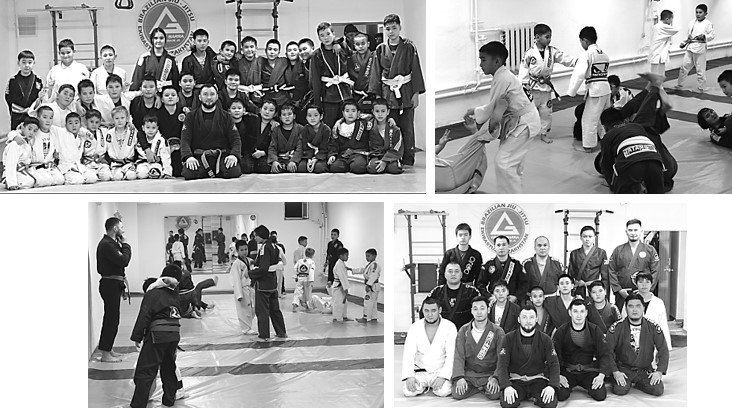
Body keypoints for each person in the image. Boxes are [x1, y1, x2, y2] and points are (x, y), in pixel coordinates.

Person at [464, 41, 541, 193]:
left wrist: (474, 112)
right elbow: (494, 106)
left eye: (484, 60)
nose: (481, 64)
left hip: (524, 123)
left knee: (504, 162)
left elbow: (492, 108)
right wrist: (476, 111)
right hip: (521, 121)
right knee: (512, 163)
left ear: (497, 61)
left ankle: (511, 199)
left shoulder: (503, 78)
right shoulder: (502, 76)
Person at [598, 73, 670, 193]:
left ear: (605, 127)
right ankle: (656, 88)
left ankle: (655, 89)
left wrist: (612, 184)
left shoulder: (609, 136)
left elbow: (606, 165)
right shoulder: (637, 126)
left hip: (637, 163)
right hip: (656, 161)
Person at [369, 14, 425, 167]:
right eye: (388, 29)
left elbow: (416, 69)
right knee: (390, 127)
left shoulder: (409, 47)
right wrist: (378, 98)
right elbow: (376, 73)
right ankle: (392, 157)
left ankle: (407, 158)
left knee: (407, 127)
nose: (391, 32)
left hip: (406, 90)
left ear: (400, 28)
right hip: (387, 92)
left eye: (394, 28)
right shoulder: (380, 49)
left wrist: (416, 94)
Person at [129, 264, 182, 408]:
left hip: (157, 336)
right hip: (174, 335)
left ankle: (138, 405)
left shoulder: (153, 293)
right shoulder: (175, 295)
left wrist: (137, 336)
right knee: (168, 367)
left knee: (145, 370)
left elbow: (144, 315)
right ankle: (169, 400)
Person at [518, 23, 577, 144]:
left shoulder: (552, 51)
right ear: (537, 37)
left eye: (550, 37)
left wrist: (580, 62)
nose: (549, 39)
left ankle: (543, 133)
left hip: (545, 87)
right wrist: (523, 84)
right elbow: (523, 68)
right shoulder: (529, 53)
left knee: (546, 112)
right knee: (529, 112)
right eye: (547, 37)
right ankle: (525, 133)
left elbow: (565, 59)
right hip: (532, 87)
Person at [495, 304, 560, 408]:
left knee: (551, 403)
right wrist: (506, 386)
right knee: (507, 404)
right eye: (524, 317)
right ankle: (527, 396)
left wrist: (552, 386)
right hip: (516, 381)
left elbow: (554, 364)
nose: (528, 321)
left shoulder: (545, 339)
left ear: (536, 319)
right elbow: (502, 364)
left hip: (538, 380)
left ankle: (534, 396)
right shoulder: (508, 338)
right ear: (519, 319)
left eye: (531, 317)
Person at [606, 294, 669, 397]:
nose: (634, 310)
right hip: (624, 369)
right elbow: (607, 351)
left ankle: (639, 383)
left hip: (644, 369)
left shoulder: (653, 327)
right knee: (620, 390)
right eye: (631, 306)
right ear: (626, 308)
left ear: (643, 308)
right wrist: (615, 371)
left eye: (638, 306)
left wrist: (659, 371)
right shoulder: (617, 327)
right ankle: (623, 381)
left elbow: (663, 350)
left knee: (658, 390)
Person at [553, 299, 611, 402]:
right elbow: (554, 356)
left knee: (600, 395)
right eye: (575, 311)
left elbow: (605, 353)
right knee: (561, 395)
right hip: (568, 371)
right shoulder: (561, 331)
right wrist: (558, 375)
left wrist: (601, 375)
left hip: (589, 371)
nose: (579, 315)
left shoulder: (595, 330)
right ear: (570, 313)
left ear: (586, 313)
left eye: (582, 311)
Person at [181, 83, 243, 180]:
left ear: (217, 97)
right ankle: (212, 171)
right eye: (205, 94)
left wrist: (234, 155)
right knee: (189, 173)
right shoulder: (191, 117)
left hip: (221, 156)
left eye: (212, 94)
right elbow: (185, 140)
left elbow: (235, 139)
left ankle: (210, 171)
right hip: (200, 156)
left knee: (233, 171)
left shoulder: (226, 116)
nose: (209, 97)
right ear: (200, 97)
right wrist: (188, 157)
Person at [451, 295, 505, 401]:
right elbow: (459, 356)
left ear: (488, 310)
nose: (479, 312)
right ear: (471, 311)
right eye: (475, 309)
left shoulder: (498, 331)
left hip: (489, 374)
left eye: (482, 308)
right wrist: (460, 377)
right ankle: (478, 388)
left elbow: (502, 358)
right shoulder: (463, 330)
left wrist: (496, 377)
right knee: (457, 394)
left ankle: (482, 387)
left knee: (495, 394)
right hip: (470, 375)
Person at [401, 297, 457, 398]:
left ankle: (438, 383)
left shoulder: (449, 327)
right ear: (422, 311)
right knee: (408, 392)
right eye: (426, 311)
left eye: (433, 310)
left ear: (439, 310)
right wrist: (409, 376)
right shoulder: (415, 327)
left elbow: (452, 355)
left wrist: (443, 376)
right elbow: (408, 353)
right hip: (421, 371)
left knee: (443, 391)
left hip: (439, 371)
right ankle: (422, 384)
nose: (430, 314)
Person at [567, 26, 610, 153]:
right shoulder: (604, 54)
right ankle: (607, 140)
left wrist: (571, 91)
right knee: (603, 118)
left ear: (584, 40)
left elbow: (579, 74)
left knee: (589, 119)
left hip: (595, 90)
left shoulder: (587, 54)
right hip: (605, 89)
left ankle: (588, 146)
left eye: (581, 42)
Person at [96, 217, 132, 363]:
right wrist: (126, 244)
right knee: (111, 319)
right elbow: (124, 261)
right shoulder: (107, 245)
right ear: (115, 229)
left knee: (113, 319)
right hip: (109, 285)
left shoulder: (111, 243)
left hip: (113, 284)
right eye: (121, 227)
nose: (123, 230)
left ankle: (108, 349)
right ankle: (105, 354)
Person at [310, 21, 353, 128]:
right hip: (328, 97)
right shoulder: (316, 55)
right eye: (322, 35)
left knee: (347, 125)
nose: (326, 38)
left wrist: (338, 43)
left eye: (328, 34)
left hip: (345, 93)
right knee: (329, 126)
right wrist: (317, 103)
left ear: (333, 34)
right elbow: (315, 80)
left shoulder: (342, 48)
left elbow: (352, 56)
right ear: (319, 38)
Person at [248, 225, 287, 341]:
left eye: (256, 236)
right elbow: (276, 262)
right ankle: (281, 332)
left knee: (262, 310)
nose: (255, 238)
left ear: (261, 235)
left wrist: (251, 273)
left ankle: (264, 335)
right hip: (272, 282)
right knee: (275, 310)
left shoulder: (265, 247)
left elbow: (264, 268)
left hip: (263, 284)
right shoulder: (275, 246)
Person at [609, 219, 659, 309]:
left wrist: (646, 290)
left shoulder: (650, 250)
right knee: (622, 316)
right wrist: (619, 290)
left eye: (636, 230)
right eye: (630, 230)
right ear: (626, 232)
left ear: (641, 231)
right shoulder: (618, 250)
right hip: (623, 293)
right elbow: (611, 270)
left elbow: (655, 271)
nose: (633, 233)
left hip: (644, 293)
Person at [621, 272, 672, 351]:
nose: (644, 285)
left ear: (651, 284)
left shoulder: (658, 303)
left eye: (647, 282)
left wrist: (665, 347)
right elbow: (623, 322)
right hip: (632, 342)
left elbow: (663, 325)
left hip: (653, 341)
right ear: (636, 284)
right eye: (641, 282)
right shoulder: (629, 301)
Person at [427, 262, 481, 329]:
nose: (453, 274)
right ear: (445, 274)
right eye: (450, 271)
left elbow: (481, 313)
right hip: (442, 332)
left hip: (466, 333)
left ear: (461, 274)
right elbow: (424, 313)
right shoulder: (436, 292)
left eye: (456, 271)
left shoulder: (472, 292)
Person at [675, 4, 715, 92]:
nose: (698, 14)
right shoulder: (691, 22)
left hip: (700, 49)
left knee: (700, 69)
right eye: (696, 12)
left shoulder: (708, 23)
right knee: (684, 67)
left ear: (705, 13)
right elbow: (688, 35)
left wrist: (704, 36)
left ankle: (701, 87)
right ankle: (679, 84)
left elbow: (712, 36)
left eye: (700, 12)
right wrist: (683, 42)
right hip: (690, 47)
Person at [478, 235, 527, 303]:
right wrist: (489, 296)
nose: (501, 248)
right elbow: (480, 284)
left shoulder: (516, 265)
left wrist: (516, 296)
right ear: (494, 247)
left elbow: (524, 284)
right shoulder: (488, 265)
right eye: (498, 245)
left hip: (511, 301)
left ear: (508, 246)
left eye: (504, 245)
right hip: (494, 301)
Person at [131, 28, 180, 92]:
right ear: (152, 40)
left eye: (161, 38)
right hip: (149, 93)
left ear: (165, 40)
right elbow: (136, 80)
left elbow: (175, 82)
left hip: (166, 94)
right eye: (156, 38)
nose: (158, 41)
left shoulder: (171, 59)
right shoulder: (144, 59)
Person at [55, 112, 99, 185]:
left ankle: (79, 176)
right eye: (70, 123)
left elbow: (85, 132)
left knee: (92, 177)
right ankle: (66, 178)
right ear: (65, 125)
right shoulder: (62, 133)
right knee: (78, 180)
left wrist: (87, 133)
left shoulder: (81, 135)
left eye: (76, 123)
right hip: (66, 166)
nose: (74, 126)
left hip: (78, 165)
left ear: (80, 125)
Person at [328, 100, 370, 173]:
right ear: (343, 113)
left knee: (358, 167)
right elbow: (334, 143)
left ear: (358, 113)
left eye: (353, 111)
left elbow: (375, 117)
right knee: (335, 167)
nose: (350, 114)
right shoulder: (338, 127)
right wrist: (332, 155)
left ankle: (352, 165)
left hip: (358, 154)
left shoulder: (363, 124)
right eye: (347, 111)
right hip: (344, 155)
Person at [5, 50, 44, 130]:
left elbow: (40, 99)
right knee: (17, 135)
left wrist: (33, 110)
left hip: (32, 114)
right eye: (23, 62)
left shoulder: (38, 80)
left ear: (34, 63)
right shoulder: (13, 80)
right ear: (18, 63)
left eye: (30, 62)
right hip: (17, 115)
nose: (27, 65)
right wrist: (15, 110)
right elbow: (8, 98)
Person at [28, 106, 64, 186]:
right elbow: (17, 132)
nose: (48, 121)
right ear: (38, 118)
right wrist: (14, 135)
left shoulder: (53, 131)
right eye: (45, 117)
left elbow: (67, 131)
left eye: (51, 118)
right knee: (47, 181)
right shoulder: (34, 131)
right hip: (36, 167)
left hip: (50, 167)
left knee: (60, 180)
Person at [568, 226, 608, 298]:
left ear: (594, 237)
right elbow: (570, 274)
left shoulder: (601, 253)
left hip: (595, 289)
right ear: (581, 237)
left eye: (590, 236)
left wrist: (605, 294)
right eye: (585, 236)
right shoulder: (574, 253)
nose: (587, 239)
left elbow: (605, 276)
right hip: (578, 288)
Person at [100, 106, 139, 181]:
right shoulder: (109, 133)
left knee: (131, 176)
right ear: (113, 120)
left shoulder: (132, 132)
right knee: (117, 177)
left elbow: (137, 147)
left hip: (129, 163)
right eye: (117, 118)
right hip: (115, 163)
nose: (120, 121)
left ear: (127, 119)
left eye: (122, 118)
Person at [367, 97, 404, 174]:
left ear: (388, 112)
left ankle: (387, 164)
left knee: (394, 169)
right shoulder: (369, 124)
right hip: (376, 154)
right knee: (372, 168)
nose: (380, 114)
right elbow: (356, 115)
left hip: (391, 155)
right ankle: (383, 166)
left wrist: (385, 160)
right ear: (373, 112)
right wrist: (341, 121)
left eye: (383, 111)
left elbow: (398, 145)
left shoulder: (394, 128)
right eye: (377, 111)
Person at [241, 99, 277, 174]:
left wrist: (264, 152)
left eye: (271, 110)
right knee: (246, 167)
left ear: (275, 114)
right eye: (265, 109)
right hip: (248, 153)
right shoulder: (251, 119)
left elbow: (275, 145)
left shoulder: (275, 126)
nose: (267, 112)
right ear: (260, 110)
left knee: (264, 167)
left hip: (263, 154)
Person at [2, 117, 39, 190]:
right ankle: (9, 182)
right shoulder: (15, 143)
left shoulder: (29, 141)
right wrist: (11, 183)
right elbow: (11, 164)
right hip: (13, 173)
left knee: (44, 179)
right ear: (23, 128)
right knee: (30, 182)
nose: (31, 133)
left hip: (25, 171)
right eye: (29, 129)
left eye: (35, 131)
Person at [291, 104, 330, 173]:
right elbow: (304, 146)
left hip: (321, 156)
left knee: (319, 168)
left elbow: (325, 148)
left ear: (321, 116)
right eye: (309, 116)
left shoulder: (326, 130)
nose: (312, 118)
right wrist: (309, 159)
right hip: (307, 156)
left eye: (315, 115)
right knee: (301, 167)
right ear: (306, 117)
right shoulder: (304, 129)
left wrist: (316, 159)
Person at [156, 85, 185, 177]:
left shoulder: (184, 113)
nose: (170, 97)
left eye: (173, 95)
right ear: (162, 99)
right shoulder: (157, 114)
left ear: (177, 98)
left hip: (181, 147)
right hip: (163, 148)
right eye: (166, 95)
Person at [231, 240, 257, 335]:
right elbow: (236, 279)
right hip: (242, 288)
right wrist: (239, 294)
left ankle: (248, 326)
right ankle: (245, 328)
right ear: (237, 251)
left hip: (250, 287)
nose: (244, 252)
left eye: (246, 249)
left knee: (252, 308)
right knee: (243, 309)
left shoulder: (250, 261)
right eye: (241, 250)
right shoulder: (236, 264)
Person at [268, 102, 303, 173]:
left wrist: (293, 161)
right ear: (280, 117)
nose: (287, 117)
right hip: (280, 158)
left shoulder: (300, 129)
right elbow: (272, 147)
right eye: (284, 115)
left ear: (294, 116)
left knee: (302, 167)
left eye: (289, 114)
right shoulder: (276, 130)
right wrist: (274, 161)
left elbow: (300, 148)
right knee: (269, 167)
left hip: (295, 158)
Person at [135, 114, 172, 179]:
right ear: (143, 128)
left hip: (156, 164)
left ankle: (154, 173)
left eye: (153, 128)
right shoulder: (139, 139)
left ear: (157, 128)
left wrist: (167, 172)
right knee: (141, 174)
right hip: (142, 163)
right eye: (148, 127)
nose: (150, 130)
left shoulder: (161, 140)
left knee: (155, 173)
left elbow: (166, 157)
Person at [260, 39, 291, 107]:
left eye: (275, 50)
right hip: (267, 98)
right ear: (265, 51)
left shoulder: (284, 62)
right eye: (270, 49)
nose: (272, 52)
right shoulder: (261, 63)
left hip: (282, 98)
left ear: (279, 52)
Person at [353, 248, 381, 323]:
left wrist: (368, 285)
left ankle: (365, 318)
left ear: (374, 256)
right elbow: (363, 270)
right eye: (366, 256)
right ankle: (374, 317)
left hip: (372, 286)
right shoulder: (370, 265)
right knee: (373, 303)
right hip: (374, 286)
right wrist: (352, 270)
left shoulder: (375, 265)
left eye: (369, 256)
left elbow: (373, 275)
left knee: (367, 301)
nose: (367, 258)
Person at [348, 32, 374, 113]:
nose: (360, 46)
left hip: (371, 95)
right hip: (357, 95)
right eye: (357, 44)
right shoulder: (351, 58)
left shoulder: (374, 56)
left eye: (363, 43)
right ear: (354, 46)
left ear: (368, 44)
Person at [649, 10, 679, 75]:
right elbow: (676, 29)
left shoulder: (656, 26)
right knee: (658, 74)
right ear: (667, 19)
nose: (672, 21)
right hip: (658, 53)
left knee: (656, 73)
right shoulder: (663, 27)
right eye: (672, 19)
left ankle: (657, 81)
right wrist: (670, 24)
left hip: (656, 52)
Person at [236, 36, 264, 105]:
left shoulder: (261, 61)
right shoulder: (238, 62)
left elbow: (265, 80)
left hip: (258, 95)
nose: (249, 50)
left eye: (252, 47)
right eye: (246, 47)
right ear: (242, 50)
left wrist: (256, 88)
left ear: (256, 48)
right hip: (242, 95)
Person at [331, 247, 352, 323]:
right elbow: (342, 277)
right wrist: (345, 288)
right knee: (338, 302)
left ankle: (344, 316)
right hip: (339, 286)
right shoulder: (339, 264)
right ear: (341, 255)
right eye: (346, 255)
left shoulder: (342, 263)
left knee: (344, 302)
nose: (347, 257)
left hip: (341, 285)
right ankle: (337, 318)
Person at [292, 247, 316, 312]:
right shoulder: (311, 262)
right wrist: (311, 280)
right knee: (307, 293)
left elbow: (295, 268)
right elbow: (311, 271)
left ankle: (295, 304)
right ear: (312, 255)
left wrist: (296, 276)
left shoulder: (300, 261)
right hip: (307, 278)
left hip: (300, 277)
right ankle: (308, 305)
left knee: (298, 291)